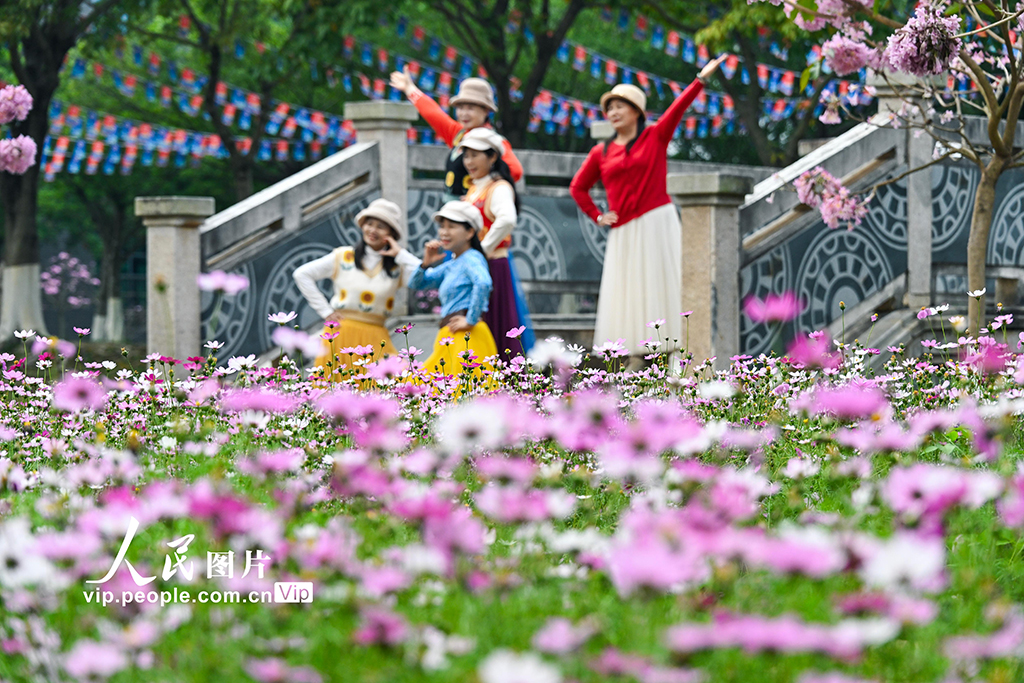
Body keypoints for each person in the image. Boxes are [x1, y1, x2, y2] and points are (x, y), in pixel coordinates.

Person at [570, 55, 727, 366]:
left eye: (620, 106)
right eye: (609, 107)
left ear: (637, 111)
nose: (613, 112)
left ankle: (671, 352)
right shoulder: (601, 151)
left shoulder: (655, 136)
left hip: (657, 222)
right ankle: (634, 356)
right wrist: (598, 215)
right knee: (627, 291)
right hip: (623, 229)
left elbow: (677, 110)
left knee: (662, 285)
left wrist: (701, 80)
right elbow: (578, 187)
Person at [292, 198, 421, 380]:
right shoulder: (343, 256)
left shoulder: (397, 267)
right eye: (369, 223)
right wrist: (325, 311)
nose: (373, 230)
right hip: (339, 333)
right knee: (335, 395)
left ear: (391, 234)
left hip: (376, 334)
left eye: (381, 226)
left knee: (397, 387)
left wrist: (400, 253)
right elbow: (301, 274)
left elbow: (425, 275)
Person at [458, 127, 536, 360]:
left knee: (495, 326)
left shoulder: (499, 187)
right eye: (466, 155)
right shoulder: (475, 187)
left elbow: (507, 220)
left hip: (492, 266)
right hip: (477, 265)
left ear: (492, 157)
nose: (469, 161)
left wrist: (481, 250)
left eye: (475, 155)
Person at [389, 67, 522, 200]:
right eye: (460, 108)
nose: (464, 113)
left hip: (475, 215)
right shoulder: (459, 134)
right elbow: (433, 113)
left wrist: (483, 192)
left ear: (486, 111)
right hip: (451, 212)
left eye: (471, 108)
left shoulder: (494, 141)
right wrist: (409, 88)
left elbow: (516, 171)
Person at [410, 201, 497, 376]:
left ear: (470, 232)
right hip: (452, 334)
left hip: (466, 336)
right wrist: (425, 264)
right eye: (442, 226)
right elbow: (416, 284)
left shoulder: (471, 258)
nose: (444, 231)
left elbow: (483, 283)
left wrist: (470, 320)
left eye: (451, 226)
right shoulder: (453, 264)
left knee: (457, 394)